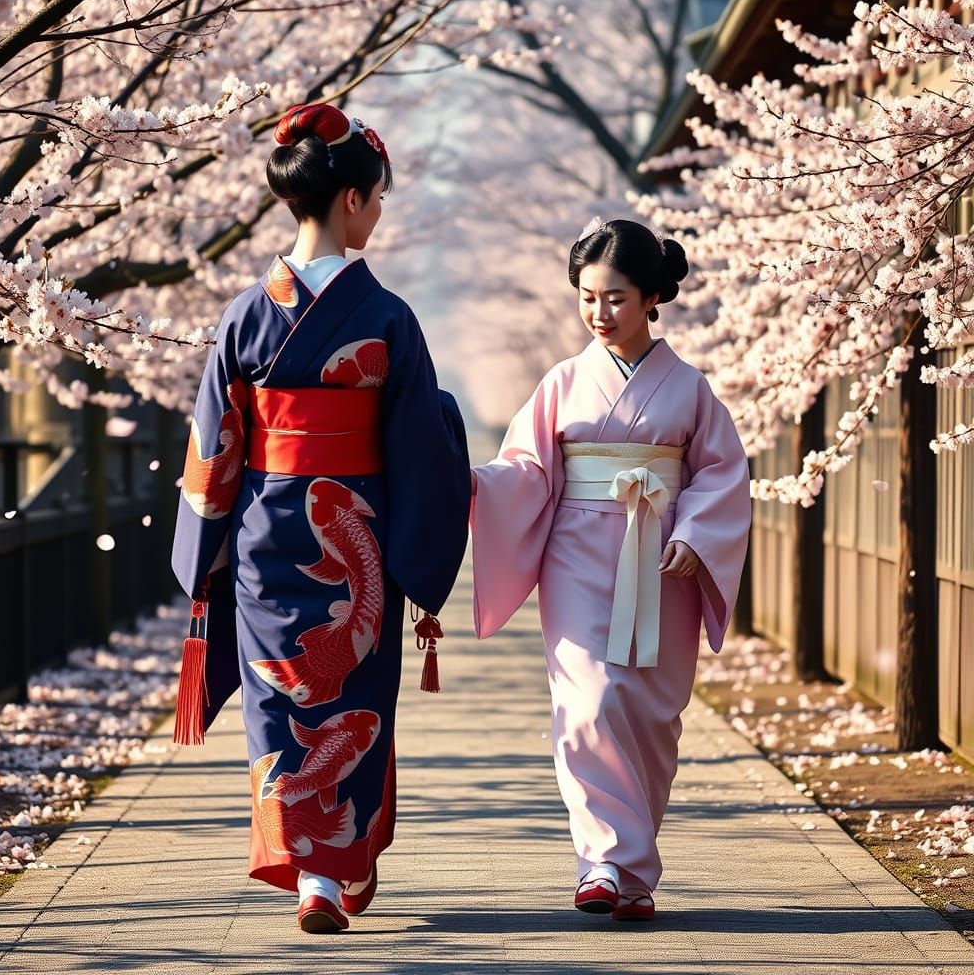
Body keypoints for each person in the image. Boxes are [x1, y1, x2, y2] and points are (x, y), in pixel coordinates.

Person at [171, 103, 471, 934]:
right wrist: (420, 550)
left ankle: (318, 878)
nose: (379, 211)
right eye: (377, 197)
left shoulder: (243, 315)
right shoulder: (388, 318)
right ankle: (329, 877)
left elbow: (214, 444)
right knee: (353, 697)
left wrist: (205, 551)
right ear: (348, 201)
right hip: (359, 534)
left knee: (284, 701)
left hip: (268, 534)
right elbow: (420, 444)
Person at [469, 217, 750, 921]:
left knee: (650, 712)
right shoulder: (563, 383)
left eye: (617, 298)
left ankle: (633, 868)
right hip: (577, 556)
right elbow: (526, 471)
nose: (600, 313)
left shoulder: (691, 389)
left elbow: (722, 475)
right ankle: (604, 863)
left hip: (661, 557)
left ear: (653, 296)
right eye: (588, 297)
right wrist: (474, 483)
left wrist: (697, 533)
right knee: (587, 704)